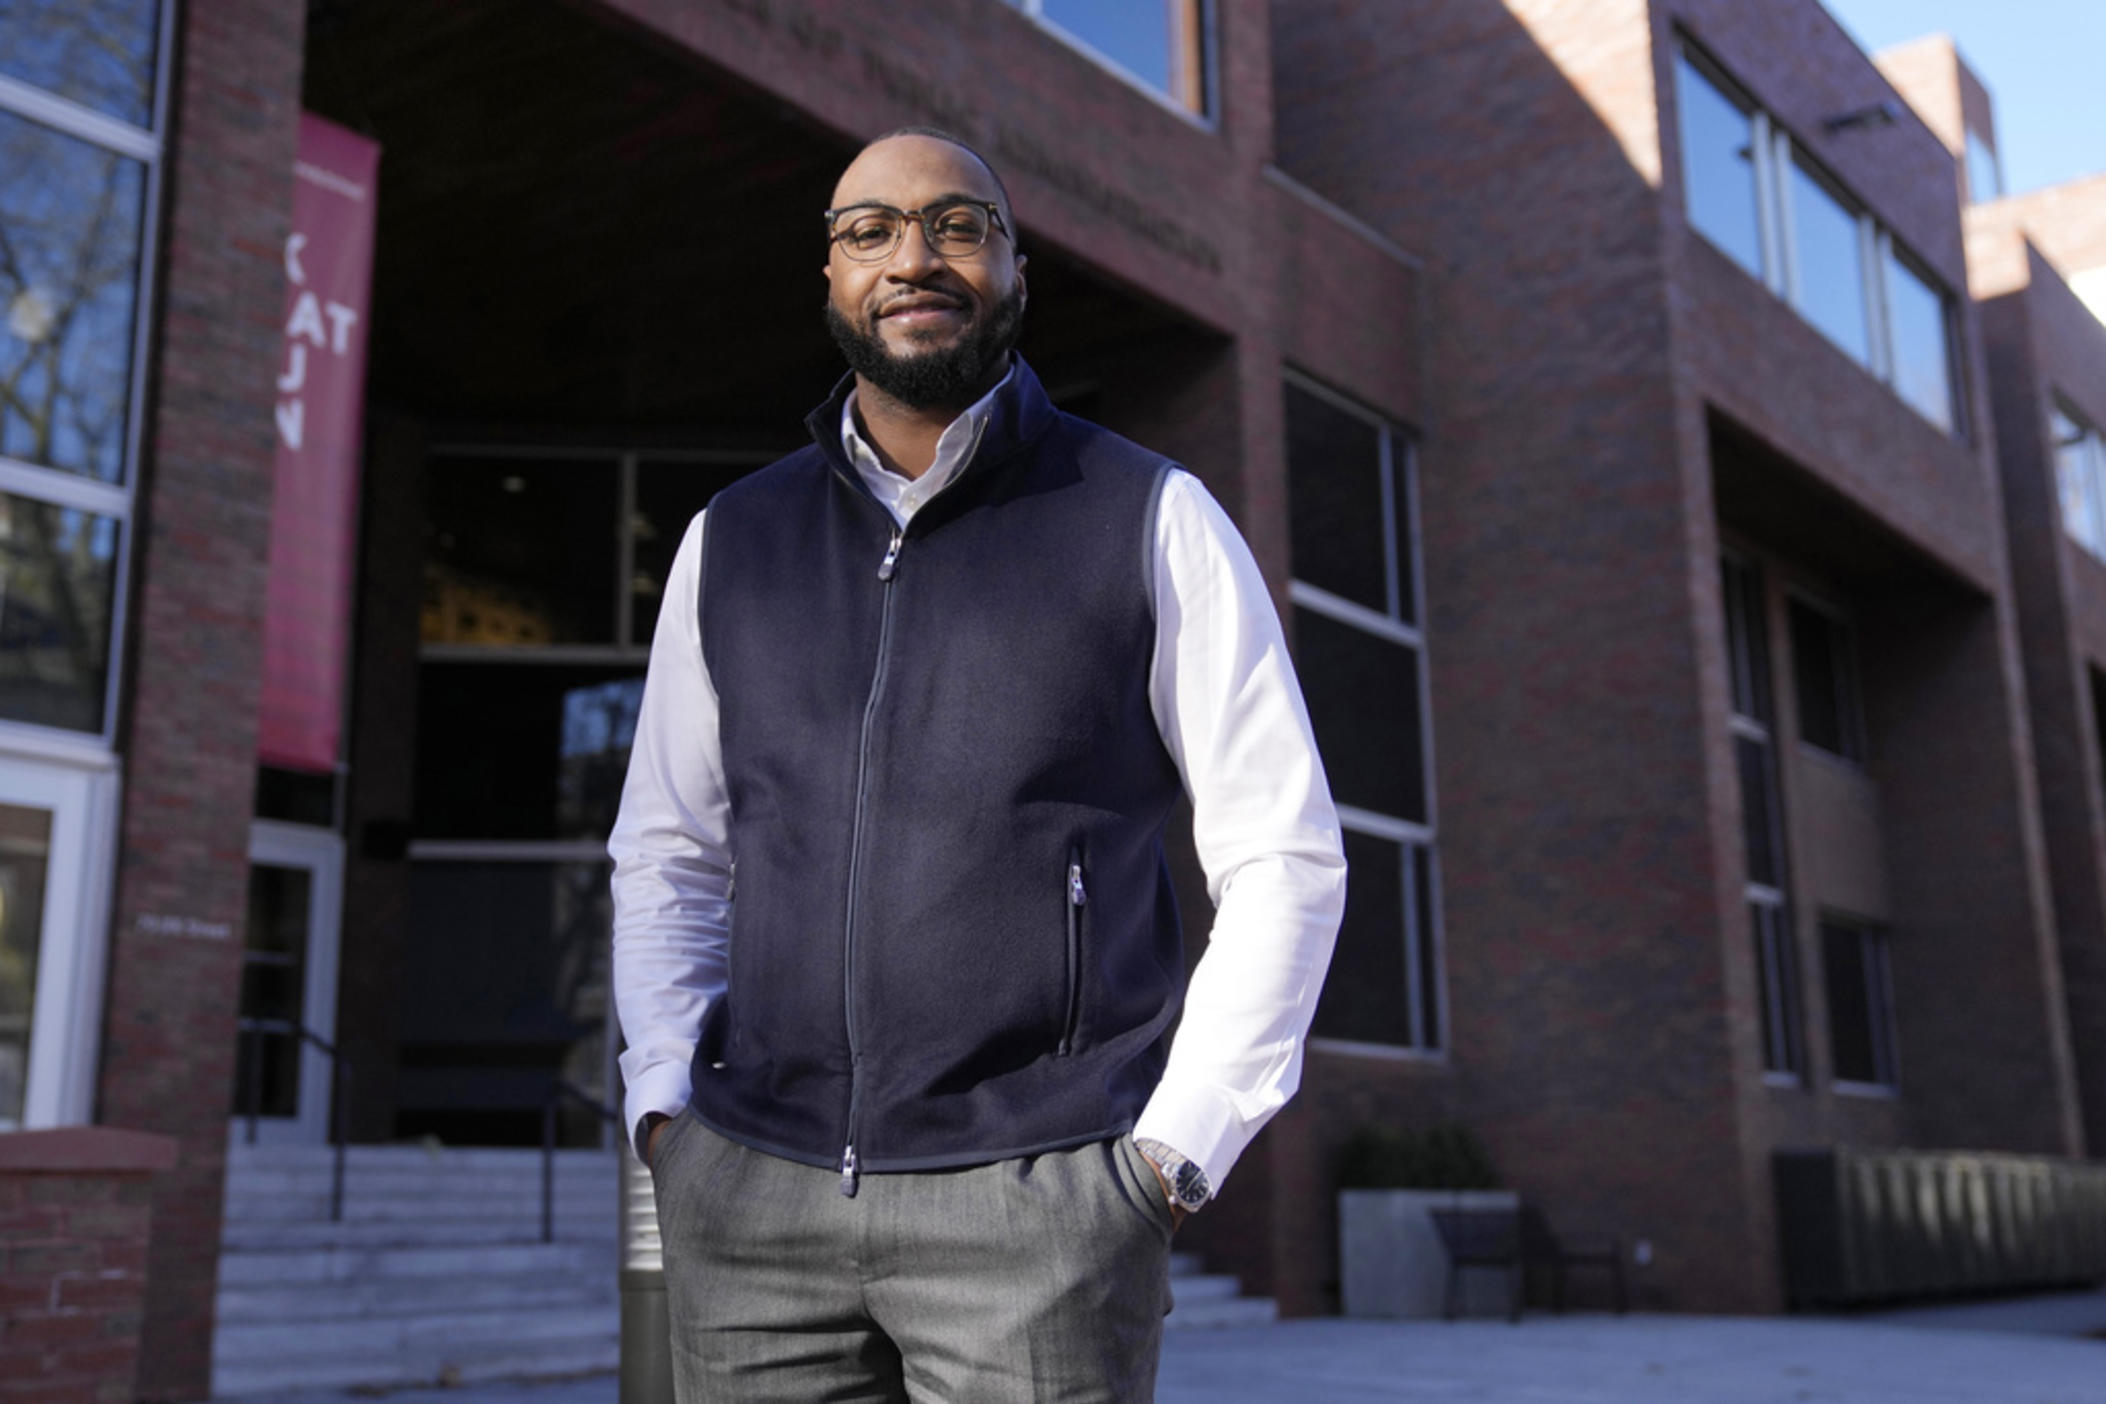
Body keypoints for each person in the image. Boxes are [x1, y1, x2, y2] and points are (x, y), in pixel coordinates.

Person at [609, 127, 1346, 1403]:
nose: (914, 256)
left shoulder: (1148, 514)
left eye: (960, 225)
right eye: (869, 231)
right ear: (831, 281)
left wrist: (1171, 1154)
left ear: (1015, 271)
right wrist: (668, 1108)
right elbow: (669, 851)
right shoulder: (731, 542)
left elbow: (1282, 855)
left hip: (1040, 1209)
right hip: (754, 1205)